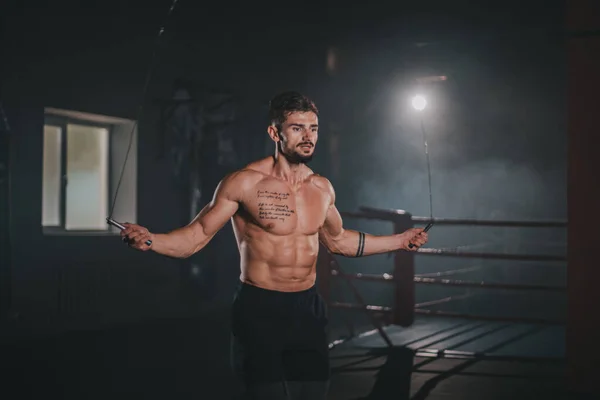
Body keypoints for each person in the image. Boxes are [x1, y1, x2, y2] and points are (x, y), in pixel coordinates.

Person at [121, 91, 429, 399]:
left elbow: (339, 241)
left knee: (314, 392)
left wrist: (401, 240)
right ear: (275, 133)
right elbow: (196, 236)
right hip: (260, 307)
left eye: (314, 128)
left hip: (307, 307)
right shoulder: (244, 182)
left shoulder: (321, 188)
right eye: (297, 128)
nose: (308, 136)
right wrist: (150, 240)